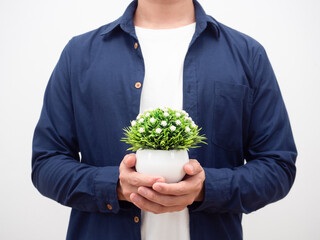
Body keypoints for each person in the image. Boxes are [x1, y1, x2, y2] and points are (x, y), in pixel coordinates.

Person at [31, 0, 297, 239]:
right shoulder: (79, 55)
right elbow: (46, 163)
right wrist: (116, 186)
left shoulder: (247, 55)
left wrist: (205, 189)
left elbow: (278, 165)